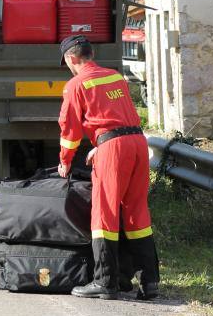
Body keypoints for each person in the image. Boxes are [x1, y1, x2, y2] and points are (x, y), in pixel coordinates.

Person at [57, 34, 159, 300]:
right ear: (91, 54)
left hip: (113, 150)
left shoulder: (76, 85)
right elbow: (117, 118)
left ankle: (105, 282)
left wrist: (65, 162)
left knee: (104, 214)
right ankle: (150, 281)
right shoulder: (114, 76)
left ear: (71, 58)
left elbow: (70, 131)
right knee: (137, 211)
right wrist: (101, 144)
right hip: (137, 142)